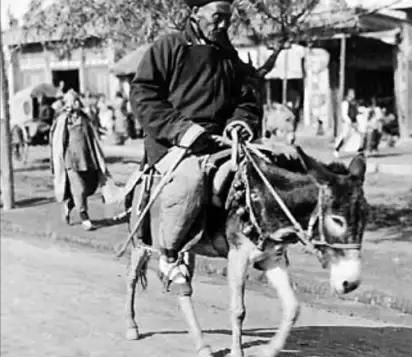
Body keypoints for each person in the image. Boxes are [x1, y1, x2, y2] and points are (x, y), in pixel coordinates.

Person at [130, 0, 261, 293]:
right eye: (218, 17)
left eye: (228, 18)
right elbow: (143, 94)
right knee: (190, 181)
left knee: (263, 174)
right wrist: (182, 129)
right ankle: (170, 256)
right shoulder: (168, 47)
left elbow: (247, 100)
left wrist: (240, 123)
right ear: (195, 13)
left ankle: (260, 244)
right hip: (171, 142)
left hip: (219, 141)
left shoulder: (229, 57)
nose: (224, 25)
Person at [50, 90, 115, 231]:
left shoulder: (85, 117)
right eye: (73, 101)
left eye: (77, 100)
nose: (76, 103)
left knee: (90, 187)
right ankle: (84, 217)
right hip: (71, 161)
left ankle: (70, 205)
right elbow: (57, 142)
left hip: (87, 158)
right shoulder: (63, 120)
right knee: (79, 189)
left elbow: (93, 133)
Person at [333, 88, 359, 158]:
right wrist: (349, 122)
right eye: (352, 94)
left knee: (354, 136)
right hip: (347, 123)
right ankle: (336, 149)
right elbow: (344, 114)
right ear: (349, 94)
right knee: (344, 136)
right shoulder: (345, 103)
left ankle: (356, 150)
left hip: (352, 122)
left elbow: (355, 112)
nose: (353, 95)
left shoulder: (353, 103)